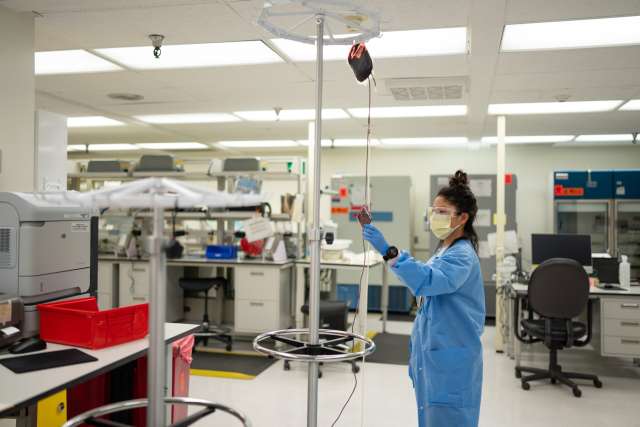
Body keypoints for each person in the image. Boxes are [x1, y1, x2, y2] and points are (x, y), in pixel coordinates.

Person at [363, 170, 485, 427]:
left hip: (451, 361)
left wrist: (389, 252)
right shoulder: (445, 249)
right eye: (434, 211)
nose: (435, 217)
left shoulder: (462, 255)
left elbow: (428, 281)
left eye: (442, 212)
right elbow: (424, 279)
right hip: (436, 356)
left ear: (463, 217)